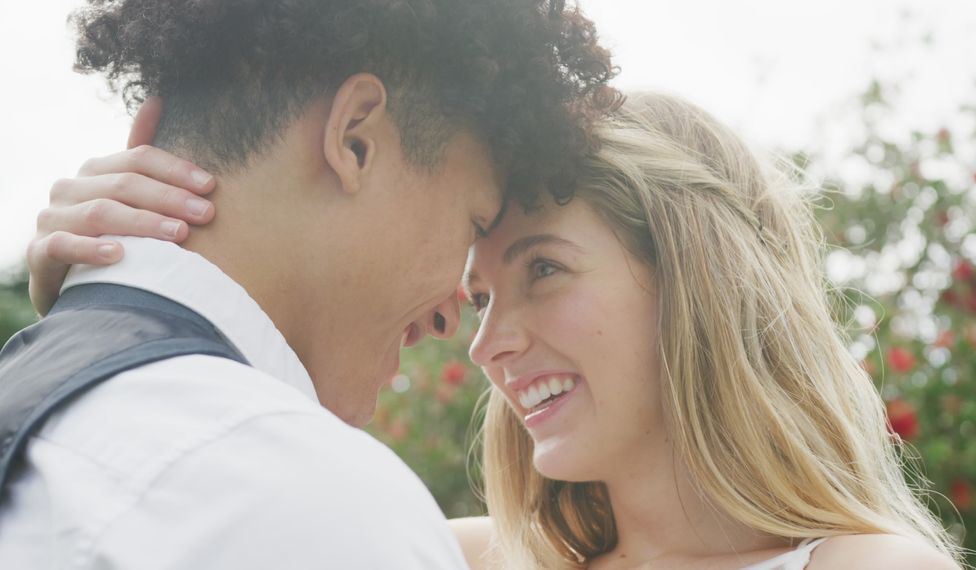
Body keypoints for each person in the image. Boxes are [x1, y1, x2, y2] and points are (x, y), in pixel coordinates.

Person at [28, 93, 969, 569]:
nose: (487, 344)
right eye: (479, 298)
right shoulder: (449, 554)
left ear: (694, 280)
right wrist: (112, 306)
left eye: (543, 271)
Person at [0, 0, 617, 568]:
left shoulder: (36, 399)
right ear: (354, 138)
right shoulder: (319, 511)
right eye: (472, 222)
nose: (450, 322)